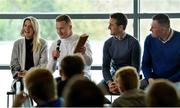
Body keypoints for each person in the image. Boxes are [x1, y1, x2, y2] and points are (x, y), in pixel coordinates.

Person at [99, 12, 141, 94]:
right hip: (114, 78)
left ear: (121, 27)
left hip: (129, 80)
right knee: (96, 90)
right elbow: (105, 67)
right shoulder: (108, 43)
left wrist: (121, 85)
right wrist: (110, 83)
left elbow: (135, 69)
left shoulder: (134, 43)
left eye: (111, 25)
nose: (108, 27)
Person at [47, 14, 92, 79]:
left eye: (62, 28)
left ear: (70, 27)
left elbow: (89, 63)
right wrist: (54, 59)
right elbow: (50, 71)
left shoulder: (81, 40)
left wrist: (84, 54)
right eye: (57, 28)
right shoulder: (55, 44)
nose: (59, 32)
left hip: (81, 76)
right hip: (64, 77)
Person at [141, 14, 180, 89]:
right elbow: (145, 64)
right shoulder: (149, 39)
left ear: (163, 30)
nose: (150, 29)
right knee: (136, 91)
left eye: (153, 27)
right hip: (154, 80)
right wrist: (149, 78)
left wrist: (166, 82)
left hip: (175, 80)